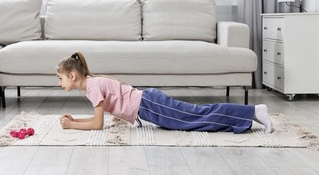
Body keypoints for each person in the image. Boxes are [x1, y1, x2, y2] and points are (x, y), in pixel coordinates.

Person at [57, 52, 273, 134]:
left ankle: (253, 111)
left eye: (61, 78)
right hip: (150, 105)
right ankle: (245, 117)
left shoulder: (93, 88)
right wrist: (74, 119)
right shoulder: (92, 85)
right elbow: (98, 118)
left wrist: (71, 125)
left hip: (151, 105)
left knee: (198, 115)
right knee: (198, 118)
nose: (60, 83)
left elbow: (98, 125)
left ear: (73, 75)